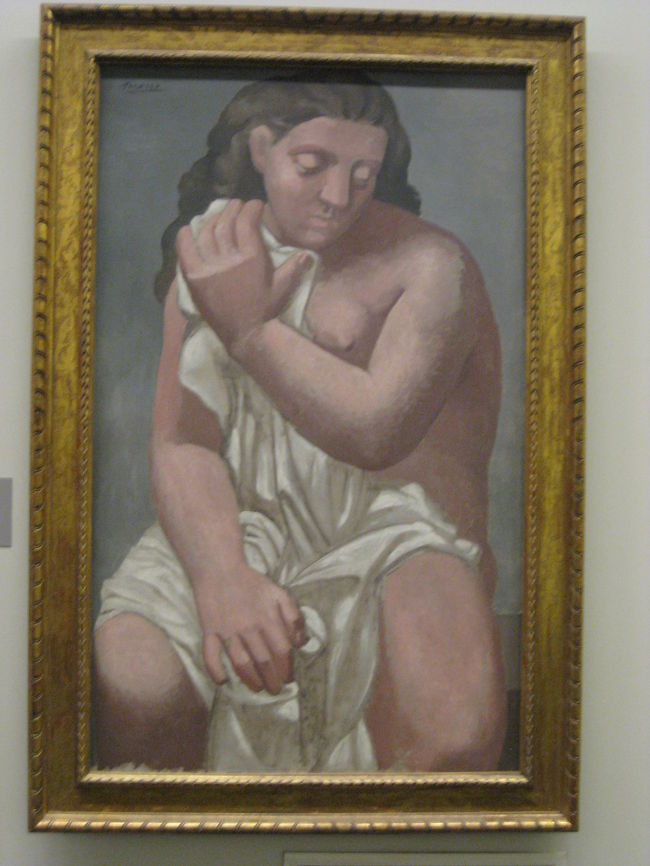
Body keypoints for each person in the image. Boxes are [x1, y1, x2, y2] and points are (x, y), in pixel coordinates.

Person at [93, 76, 506, 772]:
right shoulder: (216, 251)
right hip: (237, 523)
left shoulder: (432, 266)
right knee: (136, 680)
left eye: (363, 174)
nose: (339, 195)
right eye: (313, 165)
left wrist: (252, 332)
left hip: (395, 535)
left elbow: (374, 433)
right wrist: (223, 575)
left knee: (451, 722)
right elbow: (183, 440)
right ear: (261, 149)